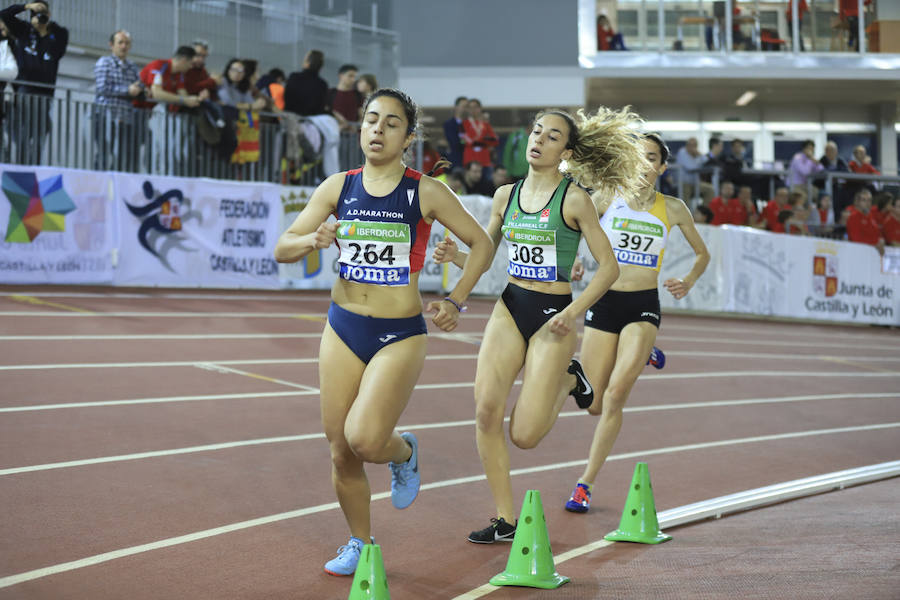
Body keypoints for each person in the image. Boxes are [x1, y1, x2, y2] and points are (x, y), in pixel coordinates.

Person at [273, 88, 493, 576]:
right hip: (343, 326)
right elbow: (282, 248)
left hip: (399, 333)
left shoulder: (426, 192)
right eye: (371, 120)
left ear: (408, 137)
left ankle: (404, 450)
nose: (377, 129)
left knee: (366, 440)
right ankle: (359, 541)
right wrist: (314, 237)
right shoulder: (337, 187)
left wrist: (457, 299)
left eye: (391, 123)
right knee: (338, 446)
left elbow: (481, 243)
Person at [433, 107, 648, 543]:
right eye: (536, 132)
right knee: (485, 412)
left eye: (552, 137)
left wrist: (574, 311)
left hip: (554, 317)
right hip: (510, 305)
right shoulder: (504, 196)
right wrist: (455, 262)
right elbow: (486, 255)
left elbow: (607, 268)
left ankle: (570, 379)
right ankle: (505, 520)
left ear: (565, 152)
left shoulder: (573, 199)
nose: (538, 140)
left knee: (525, 435)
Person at [563, 134, 710, 514]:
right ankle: (644, 354)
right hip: (605, 301)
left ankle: (585, 483)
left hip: (643, 306)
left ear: (662, 167)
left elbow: (702, 254)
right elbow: (575, 228)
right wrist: (578, 260)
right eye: (638, 158)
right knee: (592, 403)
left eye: (651, 159)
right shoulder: (608, 196)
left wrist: (689, 281)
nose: (644, 165)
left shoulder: (673, 209)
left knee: (615, 397)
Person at [1, 0, 68, 165]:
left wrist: (45, 27)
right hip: (25, 88)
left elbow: (60, 48)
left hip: (46, 91)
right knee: (25, 131)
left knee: (40, 131)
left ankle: (35, 165)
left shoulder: (58, 34)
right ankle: (22, 166)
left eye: (43, 13)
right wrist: (25, 7)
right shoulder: (24, 30)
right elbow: (3, 15)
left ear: (49, 15)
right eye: (36, 14)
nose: (39, 17)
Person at [92, 30, 143, 171]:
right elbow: (102, 88)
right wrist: (128, 90)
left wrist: (141, 90)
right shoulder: (104, 62)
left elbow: (139, 84)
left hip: (125, 118)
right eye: (120, 42)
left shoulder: (132, 66)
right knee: (103, 153)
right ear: (111, 45)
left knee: (123, 156)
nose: (124, 46)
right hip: (104, 116)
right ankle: (99, 184)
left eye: (127, 43)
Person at [284, 50, 339, 177]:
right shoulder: (322, 84)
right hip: (315, 124)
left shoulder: (294, 77)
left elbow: (288, 100)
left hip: (294, 120)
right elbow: (320, 105)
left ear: (307, 62)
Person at [462, 98, 497, 170]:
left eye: (475, 107)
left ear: (480, 108)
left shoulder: (486, 124)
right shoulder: (463, 124)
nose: (473, 110)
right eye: (470, 107)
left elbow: (494, 141)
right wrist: (483, 141)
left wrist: (478, 141)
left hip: (484, 160)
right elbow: (464, 141)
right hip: (470, 161)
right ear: (467, 110)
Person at [328, 63, 362, 132]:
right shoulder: (330, 93)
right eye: (350, 76)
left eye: (354, 77)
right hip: (333, 133)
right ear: (341, 76)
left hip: (352, 136)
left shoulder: (358, 95)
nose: (353, 79)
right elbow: (326, 111)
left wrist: (355, 127)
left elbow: (362, 116)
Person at [442, 96, 467, 169]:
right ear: (456, 107)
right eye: (463, 106)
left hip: (469, 162)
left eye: (466, 107)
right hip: (456, 161)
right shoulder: (449, 124)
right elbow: (454, 142)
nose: (465, 109)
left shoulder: (469, 124)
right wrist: (466, 142)